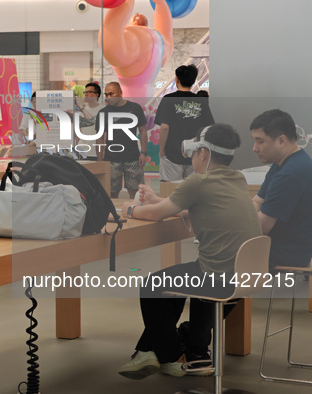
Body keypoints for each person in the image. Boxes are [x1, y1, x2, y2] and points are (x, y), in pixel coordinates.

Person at [119, 123, 262, 379]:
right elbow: (205, 206)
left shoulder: (199, 180)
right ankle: (175, 351)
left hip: (216, 276)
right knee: (175, 284)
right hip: (246, 274)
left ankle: (171, 357)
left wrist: (129, 210)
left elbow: (154, 215)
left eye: (195, 152)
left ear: (203, 153)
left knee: (153, 286)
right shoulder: (237, 178)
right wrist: (161, 202)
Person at [250, 109, 312, 269]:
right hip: (281, 247)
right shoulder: (283, 164)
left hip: (284, 254)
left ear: (282, 140)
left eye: (260, 141)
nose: (254, 148)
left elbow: (261, 228)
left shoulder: (290, 174)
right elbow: (257, 201)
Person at [86, 0, 173, 98]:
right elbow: (166, 33)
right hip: (149, 101)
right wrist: (162, 5)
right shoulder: (160, 41)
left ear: (135, 22)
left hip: (127, 104)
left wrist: (125, 4)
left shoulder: (132, 37)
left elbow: (109, 37)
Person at [155, 64, 215, 181]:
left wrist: (162, 150)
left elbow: (165, 127)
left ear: (177, 79)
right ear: (193, 81)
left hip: (172, 152)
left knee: (170, 190)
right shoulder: (200, 101)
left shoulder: (168, 100)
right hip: (195, 153)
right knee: (192, 191)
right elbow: (209, 127)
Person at [96, 82, 147, 199]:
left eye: (111, 94)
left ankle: (136, 214)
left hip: (133, 158)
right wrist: (100, 161)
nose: (108, 97)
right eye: (106, 94)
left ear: (120, 92)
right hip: (111, 159)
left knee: (137, 194)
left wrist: (143, 153)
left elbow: (143, 131)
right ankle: (113, 216)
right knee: (111, 194)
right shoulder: (103, 113)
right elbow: (99, 137)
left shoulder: (135, 108)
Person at [72, 83, 103, 159]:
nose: (86, 94)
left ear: (96, 94)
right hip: (82, 151)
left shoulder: (103, 110)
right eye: (85, 92)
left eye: (89, 92)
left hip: (96, 152)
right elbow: (78, 133)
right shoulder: (82, 111)